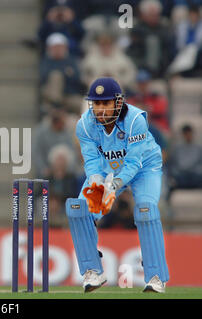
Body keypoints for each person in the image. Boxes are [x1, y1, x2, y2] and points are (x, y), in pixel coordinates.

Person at [66, 77, 169, 293]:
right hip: (106, 169)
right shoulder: (84, 125)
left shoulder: (135, 120)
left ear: (118, 103)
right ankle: (92, 272)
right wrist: (96, 182)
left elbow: (133, 161)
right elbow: (91, 160)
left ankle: (156, 276)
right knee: (79, 209)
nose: (100, 109)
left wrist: (116, 185)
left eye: (105, 103)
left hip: (144, 167)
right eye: (96, 103)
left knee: (145, 210)